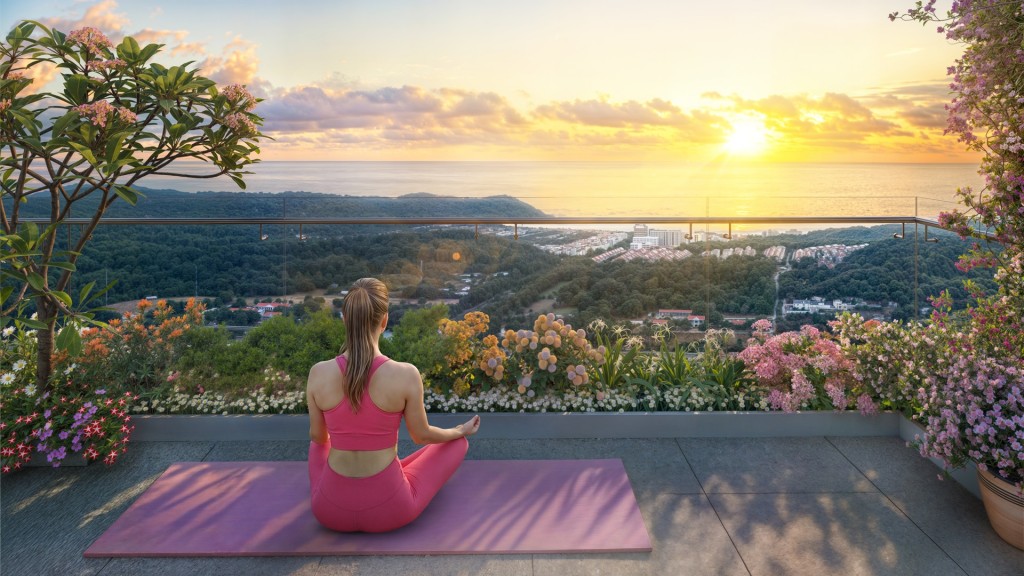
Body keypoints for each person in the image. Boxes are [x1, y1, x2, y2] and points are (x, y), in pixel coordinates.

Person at [306, 277, 481, 533]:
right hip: (390, 510)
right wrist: (458, 430)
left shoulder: (318, 373)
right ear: (385, 320)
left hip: (328, 511)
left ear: (345, 319)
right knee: (457, 443)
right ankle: (396, 468)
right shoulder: (405, 374)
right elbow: (422, 436)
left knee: (316, 445)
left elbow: (319, 438)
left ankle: (353, 478)